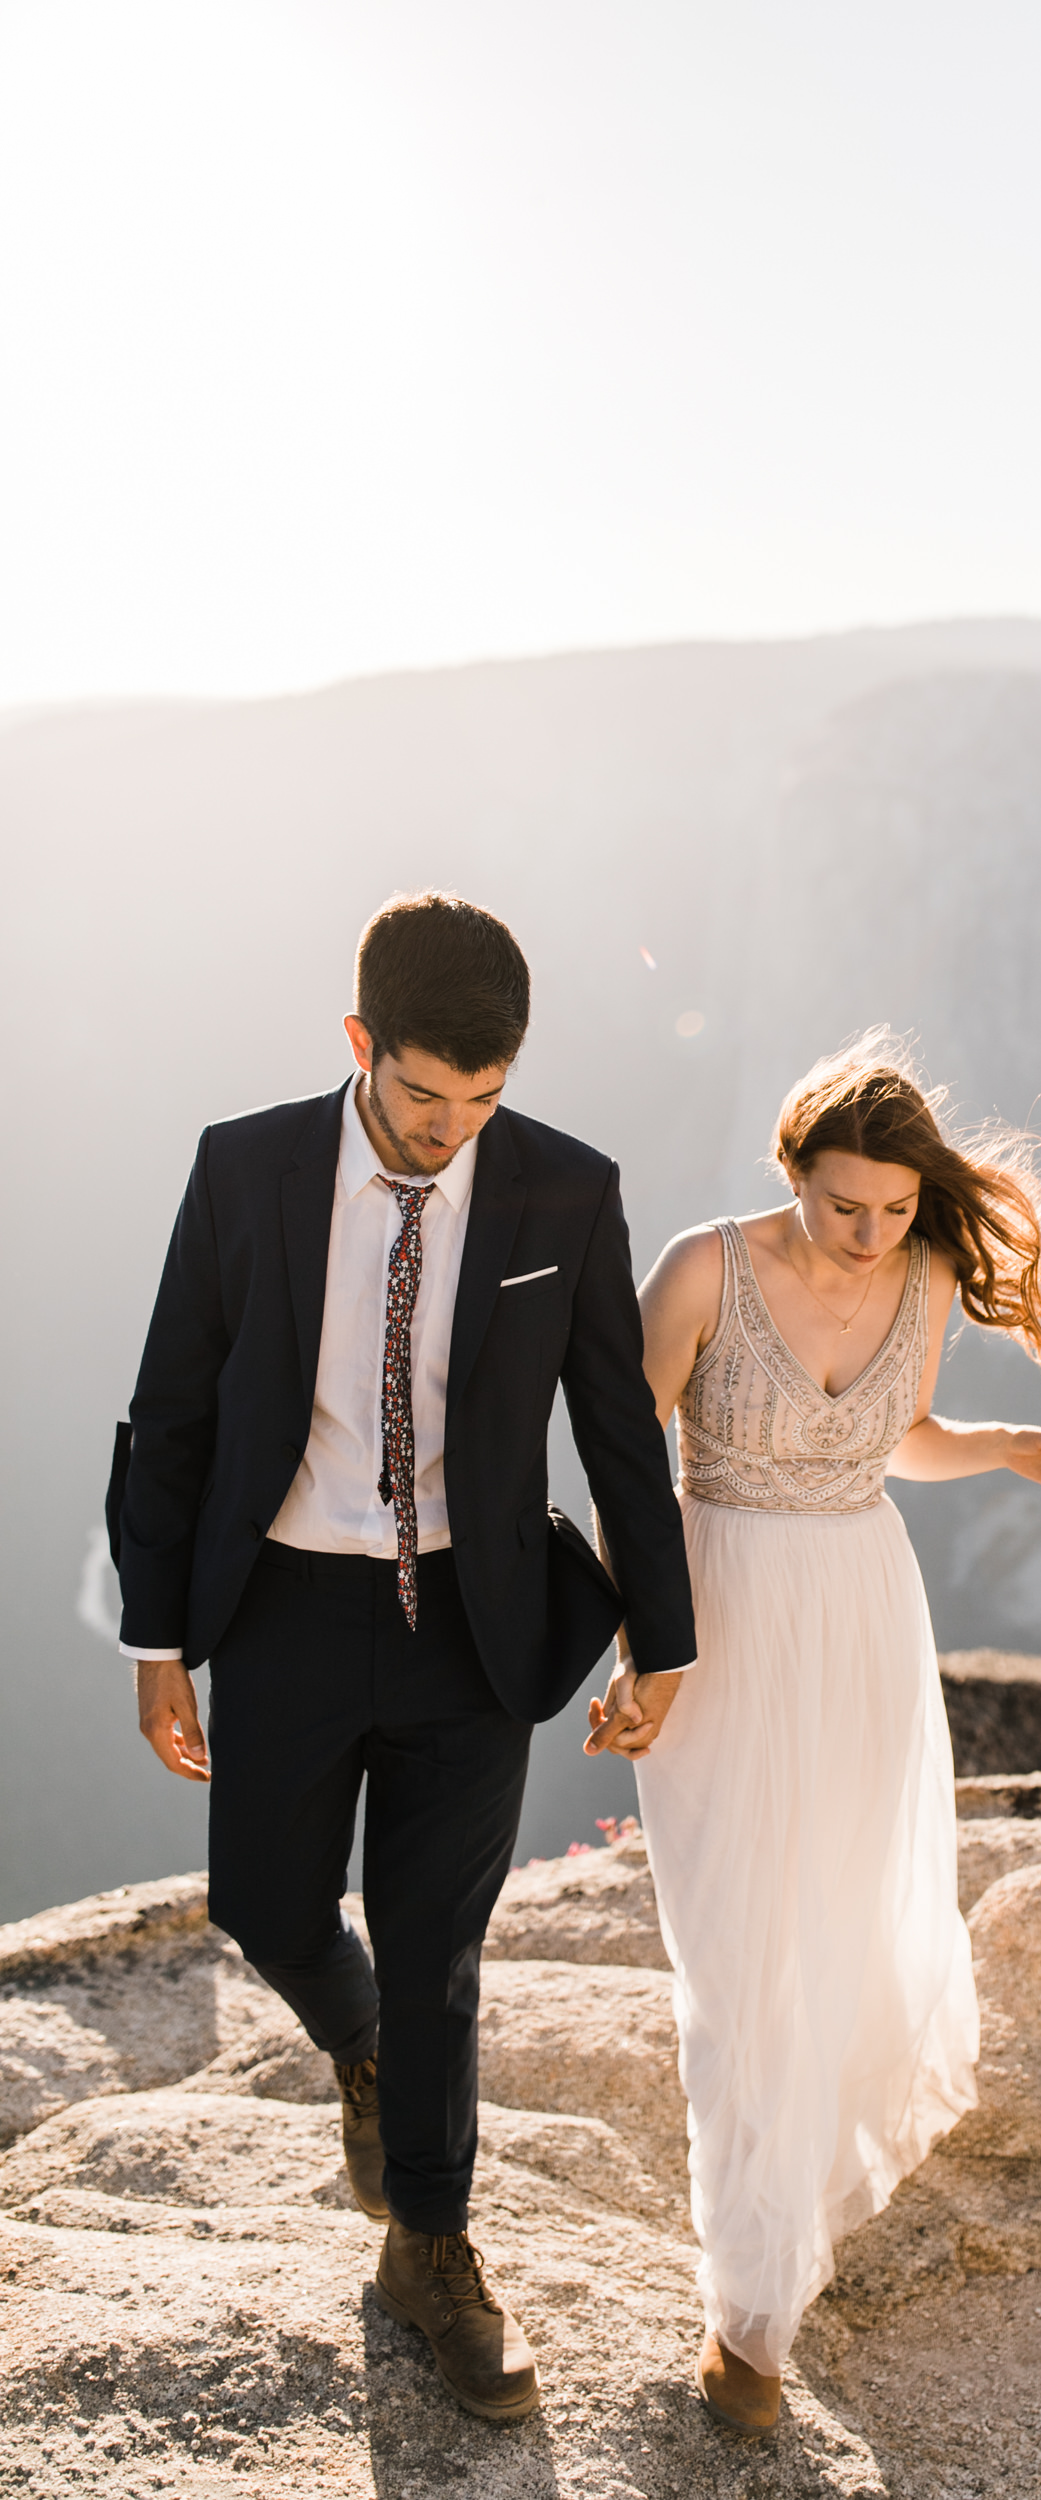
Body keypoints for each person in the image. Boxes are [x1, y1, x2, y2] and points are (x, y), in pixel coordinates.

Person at [111, 890, 695, 2425]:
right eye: (427, 1095)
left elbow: (619, 1433)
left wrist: (666, 1637)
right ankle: (358, 2046)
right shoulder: (247, 1167)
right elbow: (169, 1408)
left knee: (441, 1944)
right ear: (362, 1044)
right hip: (288, 1604)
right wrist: (155, 1634)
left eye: (484, 1101)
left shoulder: (566, 1191)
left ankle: (430, 2248)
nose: (452, 1130)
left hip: (474, 1623)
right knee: (267, 1905)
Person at [585, 1034, 1041, 2435]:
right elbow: (626, 1468)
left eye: (893, 1209)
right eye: (843, 1206)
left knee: (840, 1929)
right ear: (792, 1170)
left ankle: (765, 2295)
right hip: (722, 1608)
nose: (870, 1234)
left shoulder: (929, 1276)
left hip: (868, 1613)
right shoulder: (705, 1270)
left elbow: (899, 1437)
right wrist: (648, 1653)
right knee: (737, 1947)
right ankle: (749, 2307)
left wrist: (998, 1442)